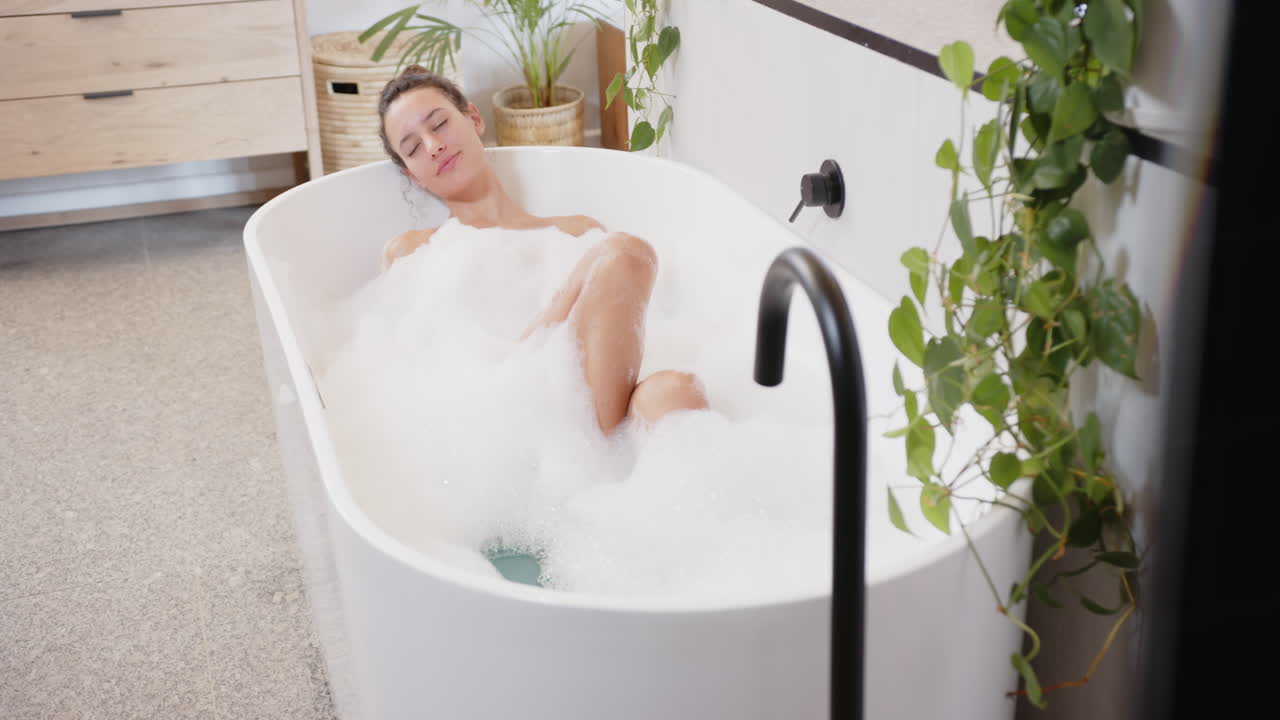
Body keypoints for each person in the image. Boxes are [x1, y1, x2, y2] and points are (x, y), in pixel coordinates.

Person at [376, 65, 708, 435]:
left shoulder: (578, 232)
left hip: (570, 421)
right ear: (412, 175)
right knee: (627, 253)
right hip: (507, 412)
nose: (433, 145)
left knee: (674, 393)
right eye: (413, 147)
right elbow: (420, 369)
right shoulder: (415, 251)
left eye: (438, 125)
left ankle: (603, 467)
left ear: (474, 118)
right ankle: (596, 459)